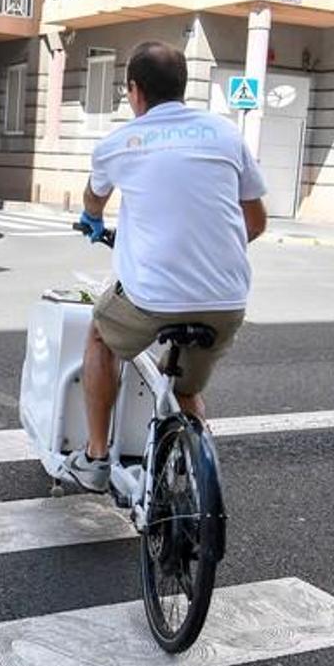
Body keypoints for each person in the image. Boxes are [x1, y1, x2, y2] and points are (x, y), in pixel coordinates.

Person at [66, 41, 269, 492]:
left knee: (100, 334)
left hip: (151, 298)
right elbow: (255, 221)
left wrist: (93, 220)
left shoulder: (119, 143)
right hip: (226, 300)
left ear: (134, 90)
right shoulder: (225, 135)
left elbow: (93, 199)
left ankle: (97, 457)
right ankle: (201, 476)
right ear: (183, 88)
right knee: (184, 388)